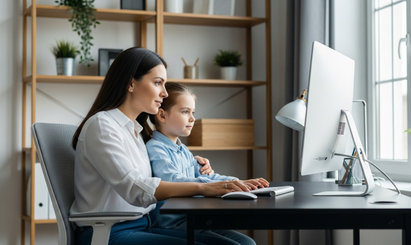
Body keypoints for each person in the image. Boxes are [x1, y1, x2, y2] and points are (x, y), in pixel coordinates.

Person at [70, 47, 253, 245]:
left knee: (241, 244)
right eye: (158, 83)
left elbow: (162, 171)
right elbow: (135, 189)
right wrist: (204, 187)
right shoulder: (102, 126)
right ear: (131, 83)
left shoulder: (136, 131)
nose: (164, 93)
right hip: (110, 233)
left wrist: (195, 166)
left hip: (145, 225)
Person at [146, 82, 269, 245]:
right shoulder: (155, 148)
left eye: (193, 112)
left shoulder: (182, 149)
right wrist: (219, 185)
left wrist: (238, 183)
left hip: (193, 220)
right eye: (185, 112)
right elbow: (172, 180)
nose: (192, 118)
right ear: (162, 115)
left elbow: (207, 176)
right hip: (172, 225)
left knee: (248, 243)